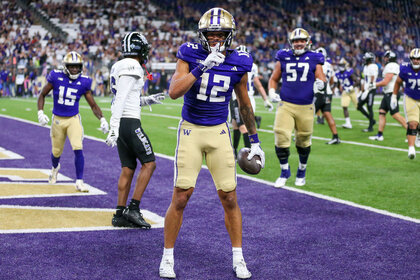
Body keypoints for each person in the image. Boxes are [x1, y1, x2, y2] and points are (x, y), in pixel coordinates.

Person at [159, 8, 265, 279]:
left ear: (230, 37)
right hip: (191, 131)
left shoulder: (240, 61)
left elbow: (244, 103)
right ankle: (167, 257)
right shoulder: (190, 53)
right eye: (211, 35)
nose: (215, 40)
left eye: (220, 35)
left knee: (229, 196)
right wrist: (202, 65)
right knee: (181, 196)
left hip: (219, 132)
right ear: (202, 36)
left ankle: (239, 258)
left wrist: (254, 141)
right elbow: (174, 92)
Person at [106, 32, 165, 228]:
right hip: (129, 123)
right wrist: (113, 126)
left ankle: (119, 213)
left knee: (128, 168)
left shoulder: (119, 65)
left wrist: (148, 100)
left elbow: (126, 97)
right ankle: (133, 208)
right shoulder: (133, 66)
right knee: (150, 163)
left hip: (124, 121)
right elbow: (121, 98)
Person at [37, 51, 109, 192]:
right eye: (72, 66)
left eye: (77, 66)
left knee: (78, 147)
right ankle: (55, 168)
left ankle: (79, 181)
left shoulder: (84, 81)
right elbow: (42, 94)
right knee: (56, 152)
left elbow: (93, 105)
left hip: (73, 119)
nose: (75, 69)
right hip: (57, 119)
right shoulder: (56, 77)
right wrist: (40, 112)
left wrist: (103, 119)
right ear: (65, 66)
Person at [267, 27, 326, 188]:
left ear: (308, 42)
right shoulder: (284, 56)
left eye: (301, 41)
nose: (298, 43)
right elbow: (274, 78)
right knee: (280, 135)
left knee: (303, 140)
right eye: (295, 41)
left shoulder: (315, 57)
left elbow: (321, 78)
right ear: (291, 43)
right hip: (286, 104)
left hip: (306, 106)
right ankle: (284, 171)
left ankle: (301, 170)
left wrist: (320, 84)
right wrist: (271, 91)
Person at [230, 45, 273, 158]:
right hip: (250, 99)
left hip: (238, 98)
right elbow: (257, 84)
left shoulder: (233, 63)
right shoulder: (252, 66)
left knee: (243, 127)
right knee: (235, 125)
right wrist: (265, 99)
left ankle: (250, 152)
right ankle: (233, 150)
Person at [369, 50, 407, 141]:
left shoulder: (391, 66)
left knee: (395, 114)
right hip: (388, 93)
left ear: (389, 58)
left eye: (386, 57)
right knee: (382, 112)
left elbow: (386, 81)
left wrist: (374, 84)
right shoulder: (393, 65)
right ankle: (379, 135)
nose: (384, 58)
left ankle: (414, 132)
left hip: (391, 93)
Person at [391, 48, 420, 159]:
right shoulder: (405, 68)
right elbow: (398, 82)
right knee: (413, 123)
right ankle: (411, 149)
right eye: (414, 59)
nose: (416, 61)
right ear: (410, 59)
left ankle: (418, 135)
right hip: (410, 98)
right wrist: (394, 96)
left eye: (418, 59)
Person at [314, 47, 340, 144]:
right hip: (328, 92)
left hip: (319, 92)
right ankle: (335, 136)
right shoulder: (329, 65)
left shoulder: (318, 65)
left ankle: (302, 136)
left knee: (307, 114)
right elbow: (332, 80)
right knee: (327, 114)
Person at [335, 58, 359, 129]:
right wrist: (337, 88)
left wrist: (351, 87)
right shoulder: (338, 73)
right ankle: (348, 123)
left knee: (358, 107)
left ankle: (370, 118)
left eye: (342, 65)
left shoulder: (349, 71)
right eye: (340, 65)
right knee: (344, 106)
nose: (341, 66)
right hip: (345, 91)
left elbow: (357, 81)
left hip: (352, 91)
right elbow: (339, 82)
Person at [358, 52, 378, 132]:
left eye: (365, 59)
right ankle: (372, 120)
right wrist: (362, 87)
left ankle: (370, 127)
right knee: (359, 105)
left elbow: (373, 77)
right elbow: (363, 77)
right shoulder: (365, 67)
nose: (364, 60)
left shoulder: (373, 66)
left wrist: (369, 87)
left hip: (371, 89)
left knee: (369, 107)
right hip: (366, 89)